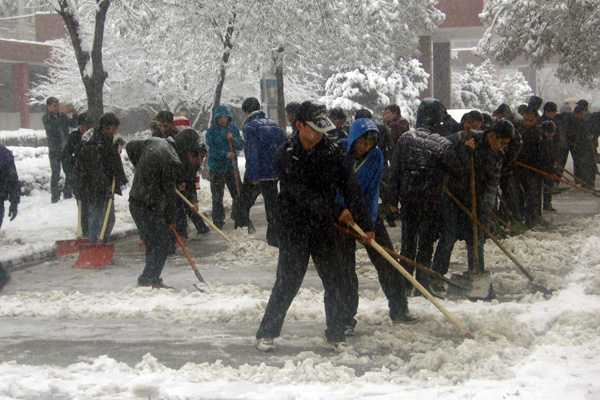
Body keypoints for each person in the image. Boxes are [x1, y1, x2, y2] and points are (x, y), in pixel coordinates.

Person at [255, 101, 375, 352]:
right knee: (288, 281)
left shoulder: (333, 152)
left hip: (324, 228)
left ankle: (336, 333)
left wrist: (366, 224)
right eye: (315, 128)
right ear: (299, 125)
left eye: (324, 129)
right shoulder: (285, 154)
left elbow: (351, 187)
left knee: (336, 280)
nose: (321, 134)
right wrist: (336, 210)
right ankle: (267, 332)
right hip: (293, 226)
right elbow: (301, 194)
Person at [337, 118, 417, 335]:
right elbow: (331, 185)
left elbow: (372, 192)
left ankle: (399, 309)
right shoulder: (339, 150)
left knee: (387, 261)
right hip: (341, 217)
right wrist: (339, 211)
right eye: (362, 142)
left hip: (366, 213)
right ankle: (345, 318)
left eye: (370, 143)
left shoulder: (376, 156)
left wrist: (369, 224)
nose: (365, 147)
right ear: (354, 138)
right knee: (345, 269)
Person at [386, 98, 464, 290]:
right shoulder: (442, 145)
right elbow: (458, 172)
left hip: (409, 200)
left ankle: (405, 283)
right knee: (426, 244)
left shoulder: (405, 139)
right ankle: (422, 283)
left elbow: (394, 171)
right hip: (432, 201)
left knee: (408, 244)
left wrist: (392, 198)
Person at [431, 120, 515, 290]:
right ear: (491, 135)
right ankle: (436, 277)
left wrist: (486, 215)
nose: (501, 146)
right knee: (448, 236)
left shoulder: (498, 156)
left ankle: (477, 276)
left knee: (476, 238)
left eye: (505, 144)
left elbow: (492, 186)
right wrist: (463, 150)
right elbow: (439, 148)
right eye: (499, 142)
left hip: (475, 199)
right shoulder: (466, 137)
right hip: (452, 195)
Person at [127, 130, 203, 288]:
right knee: (162, 242)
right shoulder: (171, 159)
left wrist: (139, 166)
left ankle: (150, 279)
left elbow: (131, 146)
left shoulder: (156, 142)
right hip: (147, 204)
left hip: (138, 201)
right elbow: (169, 195)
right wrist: (171, 221)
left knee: (153, 242)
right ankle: (148, 279)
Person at [237, 97, 287, 246]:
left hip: (258, 174)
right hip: (273, 174)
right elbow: (284, 147)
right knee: (272, 207)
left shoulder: (250, 128)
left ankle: (242, 235)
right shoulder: (275, 126)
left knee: (243, 204)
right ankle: (274, 239)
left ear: (247, 112)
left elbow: (252, 153)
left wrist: (253, 175)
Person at [76, 113, 128, 244]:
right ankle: (94, 246)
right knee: (96, 219)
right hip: (95, 187)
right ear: (105, 127)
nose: (115, 132)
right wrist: (103, 184)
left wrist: (115, 149)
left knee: (109, 220)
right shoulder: (94, 142)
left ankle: (102, 244)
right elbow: (95, 167)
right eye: (113, 129)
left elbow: (110, 160)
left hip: (105, 186)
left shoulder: (105, 139)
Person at [205, 105, 243, 229]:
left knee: (237, 194)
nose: (223, 120)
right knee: (217, 196)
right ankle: (218, 220)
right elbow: (212, 150)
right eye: (220, 117)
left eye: (225, 117)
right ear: (216, 118)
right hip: (217, 169)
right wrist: (224, 154)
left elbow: (240, 145)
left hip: (231, 168)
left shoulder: (233, 130)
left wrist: (234, 140)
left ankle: (238, 216)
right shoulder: (211, 132)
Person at [516, 106, 548, 228]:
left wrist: (546, 168)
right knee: (520, 195)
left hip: (535, 170)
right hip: (520, 169)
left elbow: (544, 152)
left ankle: (534, 218)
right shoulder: (518, 132)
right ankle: (521, 219)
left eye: (531, 120)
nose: (528, 123)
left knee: (534, 194)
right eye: (526, 120)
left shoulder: (539, 134)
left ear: (536, 119)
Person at [62, 112, 94, 237]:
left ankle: (94, 234)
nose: (85, 130)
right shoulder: (74, 137)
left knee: (94, 210)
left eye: (87, 127)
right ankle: (86, 235)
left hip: (94, 179)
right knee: (83, 209)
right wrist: (71, 172)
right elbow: (66, 156)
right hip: (79, 179)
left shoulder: (96, 137)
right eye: (82, 127)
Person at [42, 97, 78, 203]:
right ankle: (55, 196)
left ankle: (67, 192)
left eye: (58, 105)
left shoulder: (62, 116)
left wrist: (74, 114)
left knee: (69, 171)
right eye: (54, 105)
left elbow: (73, 124)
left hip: (65, 149)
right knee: (56, 173)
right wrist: (65, 115)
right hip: (54, 149)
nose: (57, 108)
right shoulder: (46, 118)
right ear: (48, 106)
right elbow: (54, 127)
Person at [175, 130, 210, 238]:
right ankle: (181, 234)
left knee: (188, 204)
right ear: (191, 154)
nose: (200, 161)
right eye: (199, 158)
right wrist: (180, 182)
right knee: (179, 207)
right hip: (173, 185)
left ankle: (199, 230)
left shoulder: (192, 165)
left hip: (182, 185)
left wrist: (194, 201)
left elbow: (190, 183)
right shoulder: (177, 159)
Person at [0, 143, 20, 290]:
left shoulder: (3, 155)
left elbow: (12, 179)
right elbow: (13, 180)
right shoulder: (4, 154)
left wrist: (14, 201)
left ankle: (2, 276)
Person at [565, 105, 597, 186]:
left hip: (586, 146)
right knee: (579, 164)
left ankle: (589, 181)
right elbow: (571, 134)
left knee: (588, 163)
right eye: (581, 114)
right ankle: (580, 180)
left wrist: (591, 136)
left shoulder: (584, 121)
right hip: (576, 147)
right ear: (577, 114)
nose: (583, 116)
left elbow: (589, 131)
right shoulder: (570, 121)